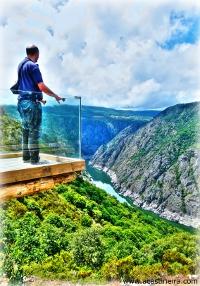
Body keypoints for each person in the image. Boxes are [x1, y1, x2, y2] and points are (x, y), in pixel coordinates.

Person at [17, 44, 62, 164]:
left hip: (22, 102)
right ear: (36, 53)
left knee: (25, 129)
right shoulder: (33, 66)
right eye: (38, 55)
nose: (39, 57)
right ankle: (34, 159)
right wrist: (55, 95)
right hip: (31, 104)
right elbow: (41, 86)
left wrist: (39, 99)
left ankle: (25, 157)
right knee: (34, 131)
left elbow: (26, 86)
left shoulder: (21, 66)